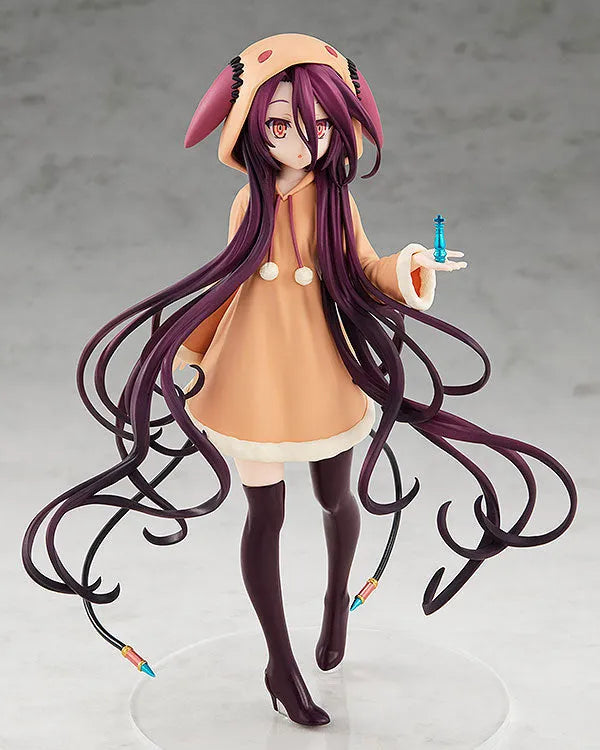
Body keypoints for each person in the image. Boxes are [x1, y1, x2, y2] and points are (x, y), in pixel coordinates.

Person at [22, 33, 577, 728]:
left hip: (322, 366)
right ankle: (279, 662)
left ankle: (335, 601)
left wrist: (409, 267)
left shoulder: (337, 203)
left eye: (318, 124)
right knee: (266, 515)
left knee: (336, 495)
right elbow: (223, 285)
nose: (299, 140)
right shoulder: (247, 206)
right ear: (251, 129)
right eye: (279, 124)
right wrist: (188, 351)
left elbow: (365, 268)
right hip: (252, 373)